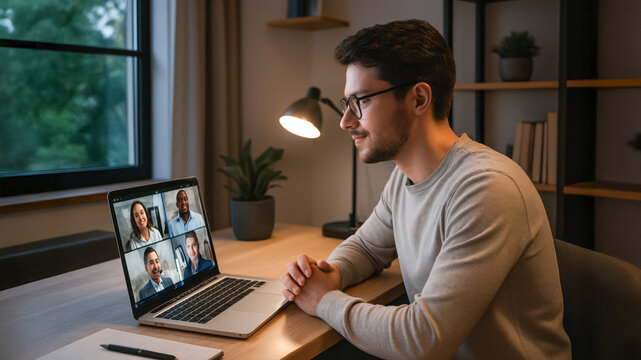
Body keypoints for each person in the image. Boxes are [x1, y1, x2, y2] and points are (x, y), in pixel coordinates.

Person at [280, 19, 571, 359]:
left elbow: (424, 339)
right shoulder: (405, 177)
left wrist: (324, 300)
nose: (346, 121)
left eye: (361, 101)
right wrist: (331, 273)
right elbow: (369, 246)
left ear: (419, 98)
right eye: (347, 104)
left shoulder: (486, 189)